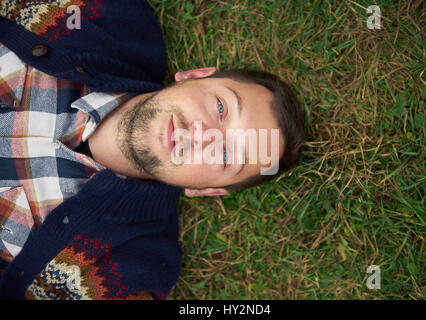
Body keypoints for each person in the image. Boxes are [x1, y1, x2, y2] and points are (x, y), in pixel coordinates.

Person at [0, 0, 305, 299]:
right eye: (221, 108)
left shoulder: (131, 269)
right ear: (194, 75)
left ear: (207, 190)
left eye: (226, 155)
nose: (204, 136)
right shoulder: (110, 19)